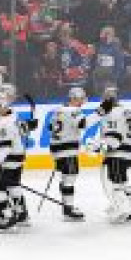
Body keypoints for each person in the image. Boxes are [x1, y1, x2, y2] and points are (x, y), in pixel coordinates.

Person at [88, 86, 131, 224]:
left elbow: (114, 137)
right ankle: (121, 206)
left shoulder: (111, 113)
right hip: (130, 151)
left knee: (116, 184)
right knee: (122, 182)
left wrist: (97, 147)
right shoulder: (126, 110)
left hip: (117, 153)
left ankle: (124, 211)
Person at [0, 91, 29, 232]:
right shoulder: (15, 118)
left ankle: (8, 217)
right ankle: (21, 214)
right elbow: (24, 132)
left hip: (8, 159)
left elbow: (5, 146)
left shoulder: (2, 123)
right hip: (18, 158)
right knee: (13, 186)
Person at [49, 87, 87, 221]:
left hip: (56, 148)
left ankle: (66, 205)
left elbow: (50, 127)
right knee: (69, 179)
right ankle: (68, 209)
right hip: (67, 149)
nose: (82, 102)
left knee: (66, 178)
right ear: (74, 98)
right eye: (81, 99)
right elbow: (83, 124)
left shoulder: (58, 110)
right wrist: (99, 114)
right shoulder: (73, 110)